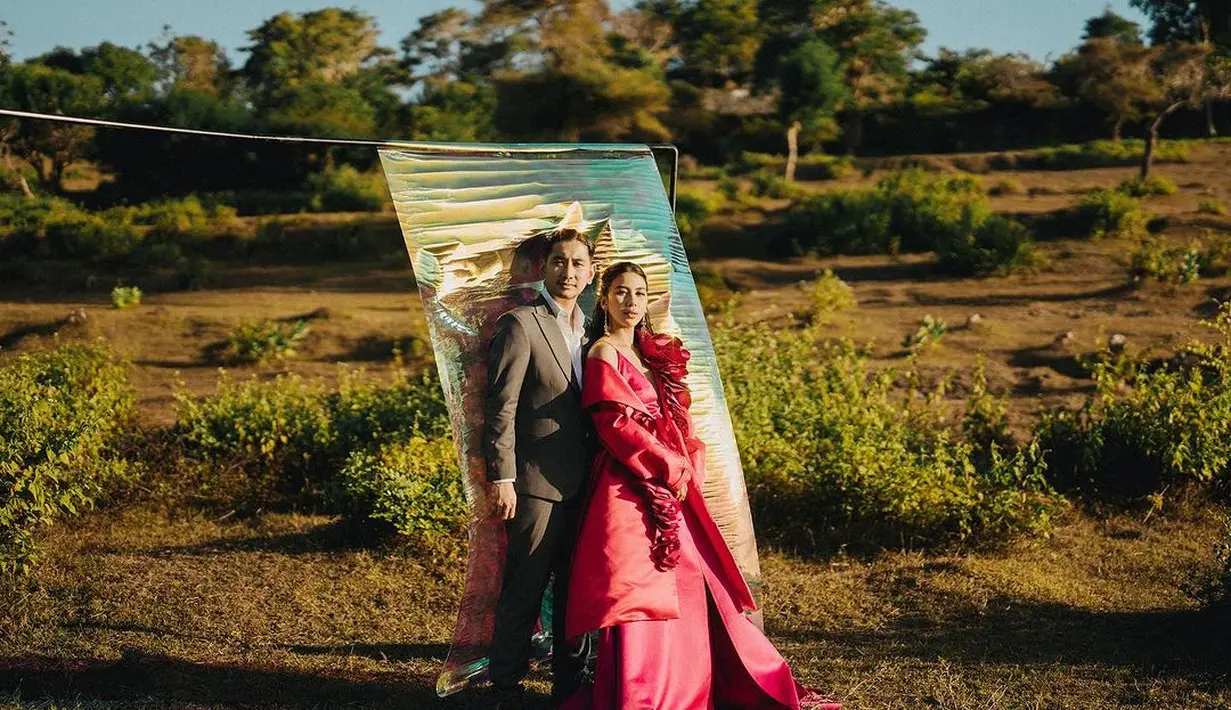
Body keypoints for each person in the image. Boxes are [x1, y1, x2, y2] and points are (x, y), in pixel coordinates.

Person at [562, 261, 841, 710]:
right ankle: (644, 689)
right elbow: (615, 425)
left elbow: (677, 419)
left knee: (691, 578)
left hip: (673, 482)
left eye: (638, 293)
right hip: (629, 483)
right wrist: (669, 466)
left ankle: (693, 678)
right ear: (604, 298)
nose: (630, 302)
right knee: (643, 585)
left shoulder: (652, 353)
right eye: (619, 292)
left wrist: (689, 460)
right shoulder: (603, 353)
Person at [483, 228, 596, 708]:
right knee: (524, 588)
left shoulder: (594, 330)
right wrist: (502, 477)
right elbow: (501, 408)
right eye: (558, 262)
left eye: (577, 263)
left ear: (590, 273)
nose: (567, 272)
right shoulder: (520, 324)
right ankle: (505, 685)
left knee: (578, 590)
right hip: (533, 484)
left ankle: (570, 685)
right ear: (542, 268)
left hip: (587, 484)